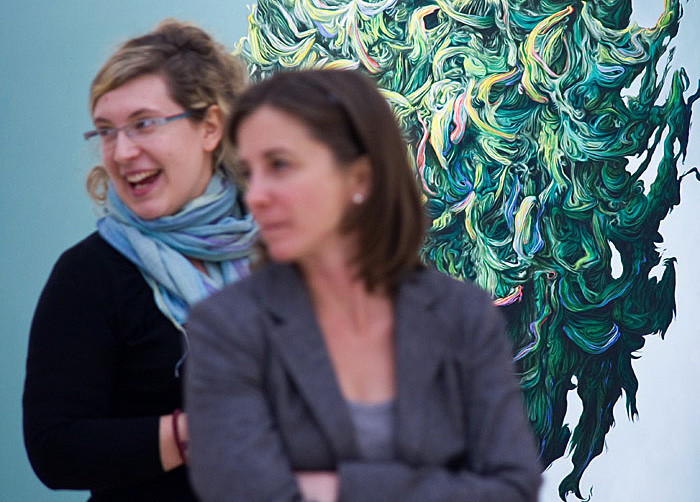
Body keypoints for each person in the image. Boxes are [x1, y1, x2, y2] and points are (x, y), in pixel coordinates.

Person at [184, 68, 542, 502]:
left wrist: (335, 487)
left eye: (279, 165)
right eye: (249, 173)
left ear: (360, 178)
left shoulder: (462, 315)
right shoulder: (225, 327)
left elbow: (511, 488)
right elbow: (236, 488)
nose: (256, 195)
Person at [23, 19, 257, 501]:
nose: (122, 152)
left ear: (210, 127)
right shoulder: (88, 276)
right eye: (106, 132)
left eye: (144, 124)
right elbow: (55, 448)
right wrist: (193, 434)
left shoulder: (278, 249)